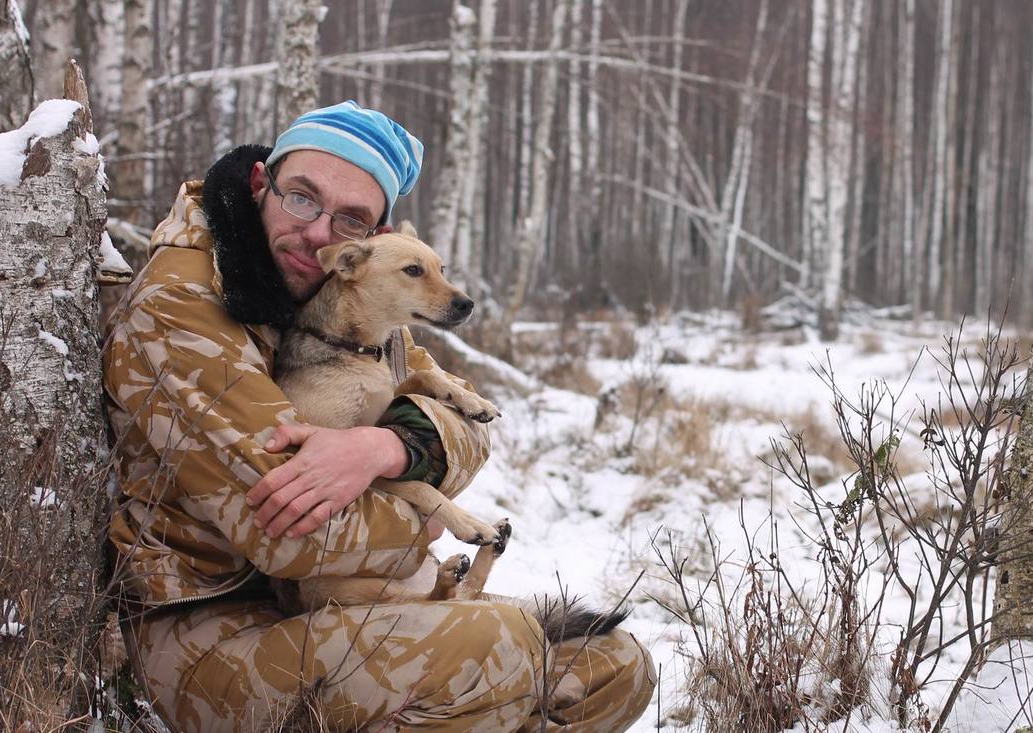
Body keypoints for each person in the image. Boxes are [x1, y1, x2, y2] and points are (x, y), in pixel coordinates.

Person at [105, 100, 654, 732]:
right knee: (499, 649)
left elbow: (471, 428)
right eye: (302, 199)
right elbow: (291, 531)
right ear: (261, 184)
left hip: (340, 604)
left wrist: (385, 450)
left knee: (611, 663)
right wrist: (424, 519)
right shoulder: (182, 308)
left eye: (348, 220)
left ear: (373, 240)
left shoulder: (349, 295)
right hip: (212, 636)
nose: (316, 234)